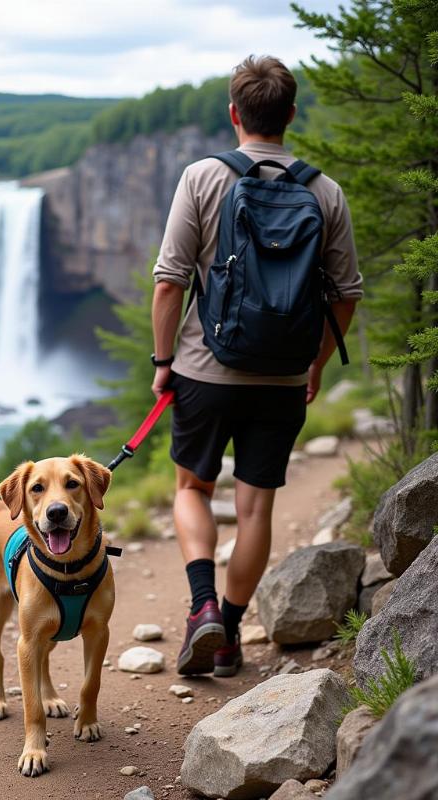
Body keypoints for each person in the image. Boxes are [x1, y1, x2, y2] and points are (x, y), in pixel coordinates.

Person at [150, 55, 363, 676]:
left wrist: (165, 363)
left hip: (203, 368)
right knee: (255, 509)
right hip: (283, 377)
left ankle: (201, 609)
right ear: (290, 116)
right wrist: (315, 364)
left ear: (235, 113)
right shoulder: (325, 191)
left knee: (192, 487)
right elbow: (346, 295)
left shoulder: (202, 178)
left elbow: (169, 283)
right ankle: (233, 634)